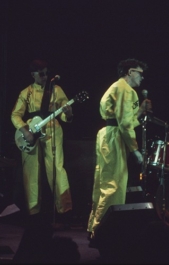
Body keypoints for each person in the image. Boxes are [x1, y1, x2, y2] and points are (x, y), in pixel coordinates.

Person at [87, 58, 151, 242]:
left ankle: (95, 227)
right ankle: (103, 232)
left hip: (108, 135)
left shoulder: (117, 87)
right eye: (139, 73)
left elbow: (124, 119)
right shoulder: (125, 89)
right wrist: (134, 149)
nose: (142, 77)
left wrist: (139, 112)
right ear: (130, 71)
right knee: (113, 186)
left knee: (103, 183)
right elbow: (124, 124)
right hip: (115, 137)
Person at [11, 59, 74, 227]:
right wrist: (25, 130)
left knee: (56, 169)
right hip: (32, 131)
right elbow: (15, 115)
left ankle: (64, 212)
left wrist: (68, 113)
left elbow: (65, 114)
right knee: (31, 172)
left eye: (46, 72)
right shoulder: (27, 92)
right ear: (33, 75)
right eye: (41, 73)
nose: (45, 76)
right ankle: (33, 213)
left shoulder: (57, 90)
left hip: (53, 130)